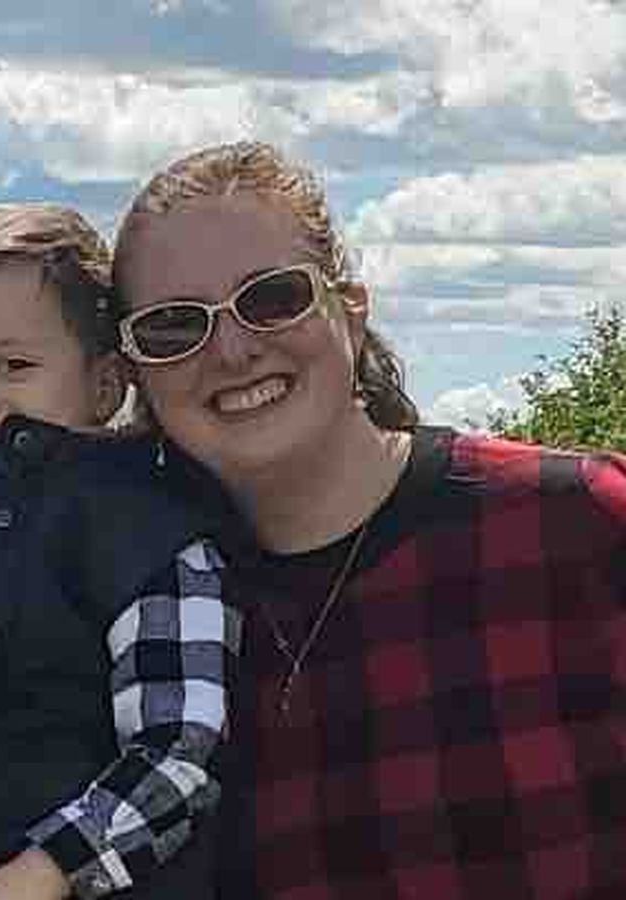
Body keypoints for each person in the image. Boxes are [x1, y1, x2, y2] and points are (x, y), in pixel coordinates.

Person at [112, 140, 626, 898]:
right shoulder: (144, 607)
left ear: (349, 312)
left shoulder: (574, 525)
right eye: (173, 327)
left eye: (273, 297)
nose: (232, 350)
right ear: (133, 373)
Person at [0, 204, 239, 899]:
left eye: (14, 365)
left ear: (105, 386)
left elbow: (180, 756)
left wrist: (43, 875)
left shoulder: (142, 537)